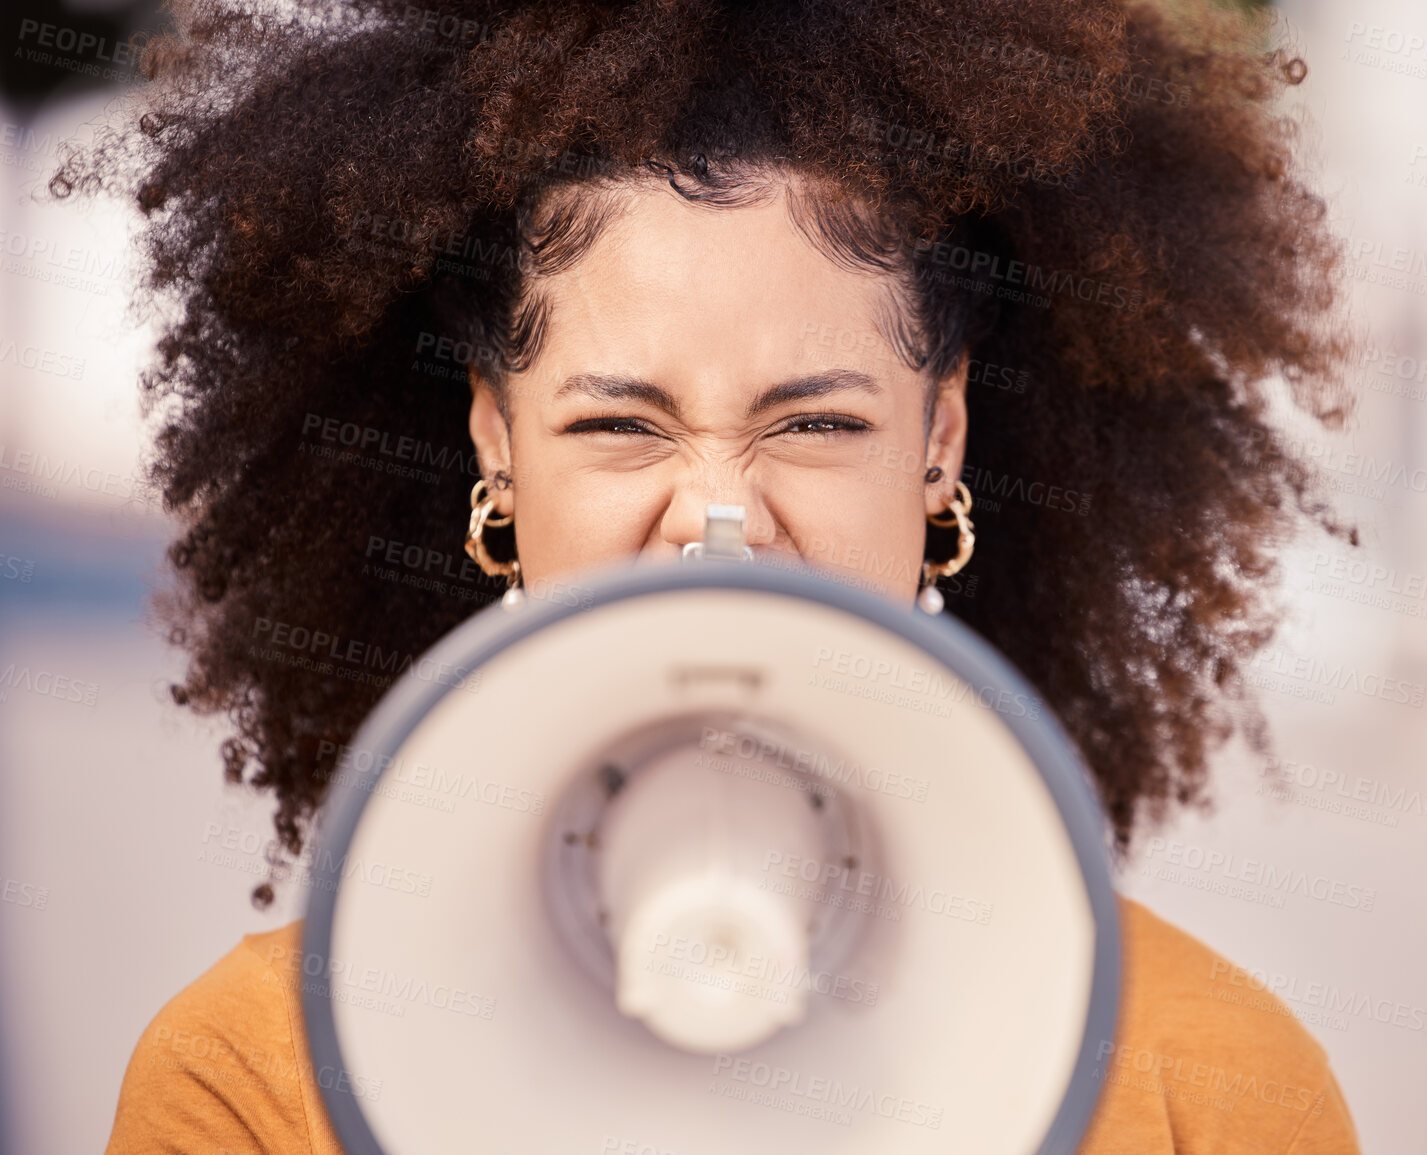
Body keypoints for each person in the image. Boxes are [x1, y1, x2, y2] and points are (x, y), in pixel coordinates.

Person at [62, 0, 1358, 1150]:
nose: (721, 517)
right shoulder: (247, 1091)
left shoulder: (1221, 1093)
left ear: (941, 438)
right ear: (495, 445)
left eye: (816, 424)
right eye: (620, 426)